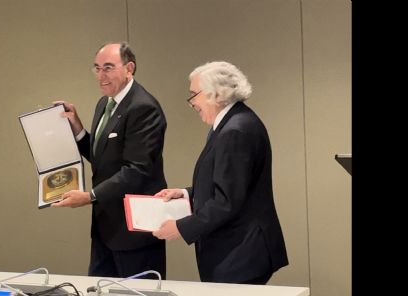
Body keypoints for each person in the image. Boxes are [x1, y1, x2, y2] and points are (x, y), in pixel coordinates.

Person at [152, 61, 288, 284]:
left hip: (241, 252)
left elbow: (227, 201)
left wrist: (181, 227)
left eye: (194, 95)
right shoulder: (233, 122)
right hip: (238, 249)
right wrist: (186, 194)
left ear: (216, 93)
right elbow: (231, 185)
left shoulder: (235, 130)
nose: (192, 103)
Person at [52, 42, 168, 279]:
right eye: (96, 68)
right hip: (105, 229)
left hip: (134, 232)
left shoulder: (143, 107)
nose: (101, 76)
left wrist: (89, 196)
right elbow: (103, 157)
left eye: (108, 68)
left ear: (129, 68)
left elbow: (137, 170)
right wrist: (77, 128)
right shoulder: (105, 103)